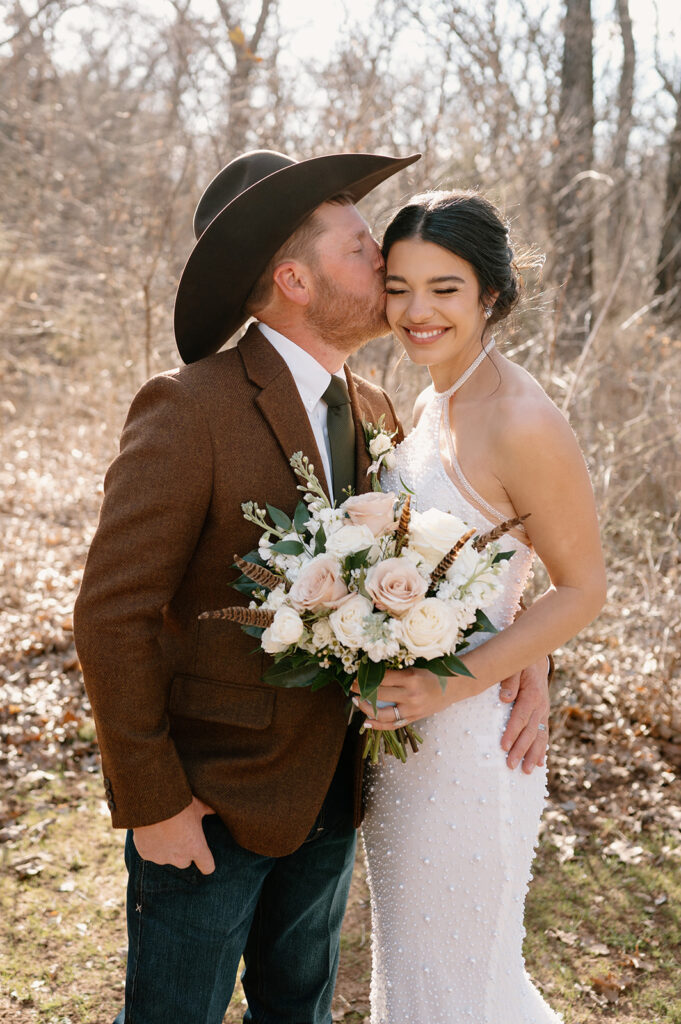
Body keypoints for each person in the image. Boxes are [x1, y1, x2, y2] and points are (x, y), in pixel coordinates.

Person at [73, 153, 551, 1024]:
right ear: (294, 277)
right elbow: (112, 613)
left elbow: (461, 559)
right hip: (207, 806)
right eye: (362, 247)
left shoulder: (377, 408)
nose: (387, 261)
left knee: (301, 1011)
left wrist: (525, 656)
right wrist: (155, 805)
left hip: (338, 789)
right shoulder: (189, 407)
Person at [354, 190, 607, 1023]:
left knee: (460, 989)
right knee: (421, 979)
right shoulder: (432, 397)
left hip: (468, 742)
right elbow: (492, 553)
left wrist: (453, 682)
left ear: (490, 294)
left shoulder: (522, 419)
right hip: (406, 746)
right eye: (397, 287)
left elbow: (582, 586)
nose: (415, 311)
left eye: (444, 288)